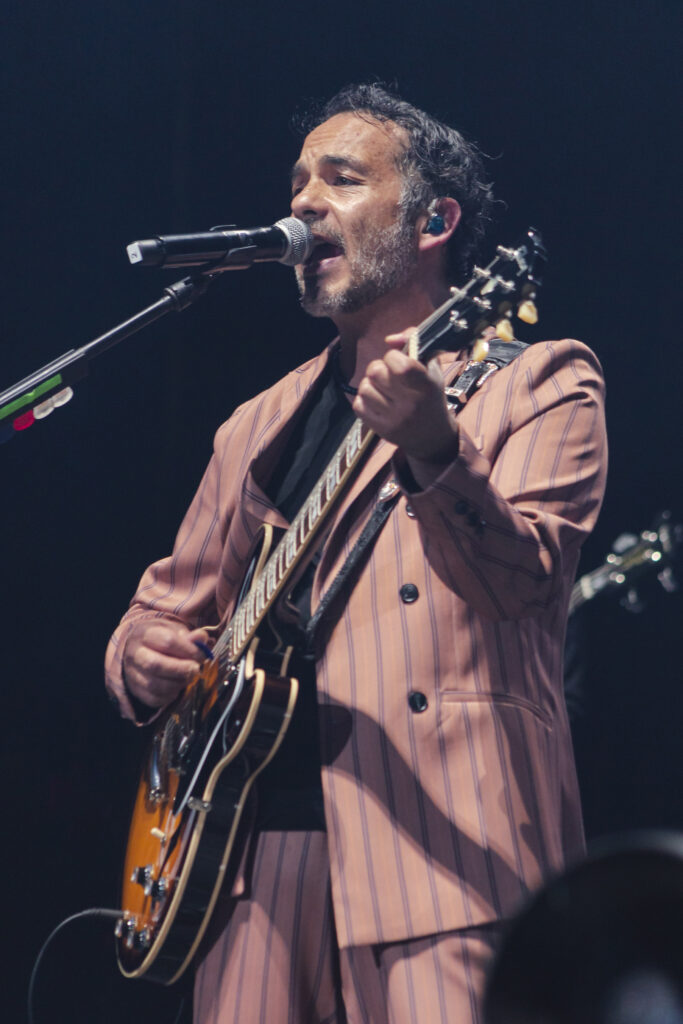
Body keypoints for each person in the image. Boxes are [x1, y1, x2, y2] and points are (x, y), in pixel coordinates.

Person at [105, 84, 608, 1023]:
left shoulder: (539, 381)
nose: (301, 202)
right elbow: (160, 611)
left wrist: (434, 450)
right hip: (248, 866)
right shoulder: (256, 423)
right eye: (297, 182)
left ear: (433, 220)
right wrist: (137, 655)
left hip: (447, 850)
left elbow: (524, 585)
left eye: (340, 179)